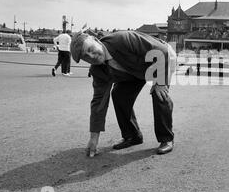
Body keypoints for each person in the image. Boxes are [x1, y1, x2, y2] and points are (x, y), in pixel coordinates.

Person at [70, 29, 177, 157]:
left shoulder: (122, 39)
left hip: (161, 59)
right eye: (85, 57)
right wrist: (94, 138)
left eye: (90, 49)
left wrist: (160, 83)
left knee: (159, 92)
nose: (91, 56)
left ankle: (166, 138)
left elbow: (161, 52)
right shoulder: (98, 71)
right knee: (119, 94)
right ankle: (132, 136)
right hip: (135, 70)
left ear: (96, 40)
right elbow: (99, 102)